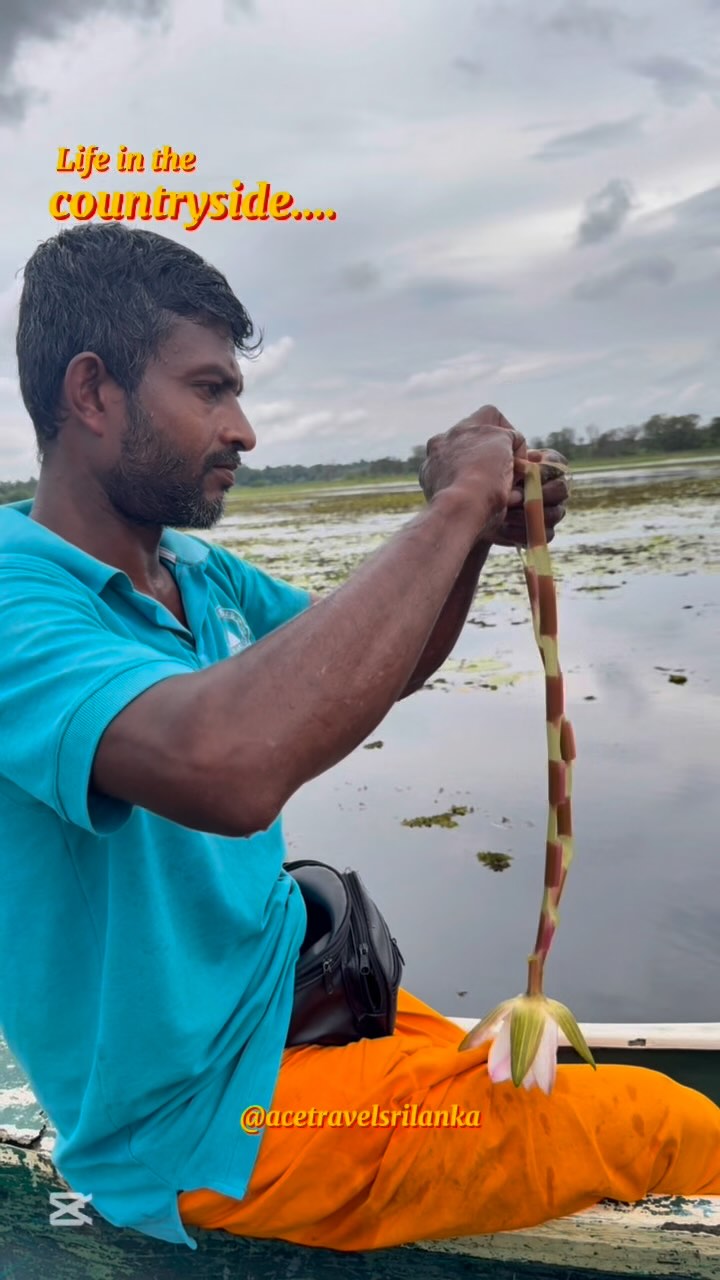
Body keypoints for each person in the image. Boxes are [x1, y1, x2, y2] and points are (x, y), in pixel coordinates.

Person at [0, 223, 717, 1253]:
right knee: (671, 1126)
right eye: (209, 389)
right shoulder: (16, 601)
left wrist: (472, 532)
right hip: (204, 1123)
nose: (243, 429)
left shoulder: (193, 572)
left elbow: (380, 663)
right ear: (92, 392)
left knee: (529, 1072)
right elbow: (227, 767)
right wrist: (456, 503)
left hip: (292, 1012)